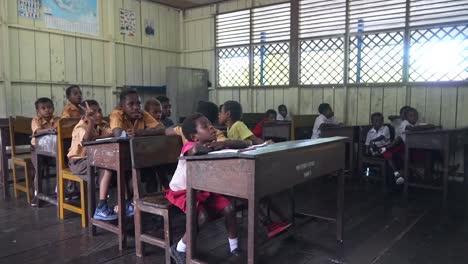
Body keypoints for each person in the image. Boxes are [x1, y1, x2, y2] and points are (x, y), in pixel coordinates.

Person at [167, 113, 248, 263]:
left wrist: (223, 144)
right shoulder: (190, 145)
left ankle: (234, 247)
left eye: (210, 123)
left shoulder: (216, 144)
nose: (211, 127)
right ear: (195, 136)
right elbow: (195, 151)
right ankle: (179, 248)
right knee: (202, 216)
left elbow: (244, 144)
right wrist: (213, 146)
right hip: (183, 191)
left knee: (229, 209)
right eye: (205, 126)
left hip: (204, 190)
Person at [67, 100, 116, 220]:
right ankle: (101, 207)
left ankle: (117, 206)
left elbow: (113, 135)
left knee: (117, 167)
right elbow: (87, 140)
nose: (98, 115)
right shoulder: (81, 126)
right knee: (108, 167)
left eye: (99, 111)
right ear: (84, 117)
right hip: (79, 162)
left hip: (96, 159)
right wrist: (91, 122)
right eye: (93, 113)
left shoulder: (103, 124)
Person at [381, 107, 435, 184]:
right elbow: (409, 130)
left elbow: (431, 126)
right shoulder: (403, 123)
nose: (414, 117)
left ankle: (423, 176)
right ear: (406, 117)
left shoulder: (416, 123)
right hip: (400, 144)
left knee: (430, 151)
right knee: (402, 155)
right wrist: (403, 117)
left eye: (415, 115)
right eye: (411, 115)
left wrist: (420, 127)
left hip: (410, 145)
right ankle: (416, 173)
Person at [30, 97, 60, 206]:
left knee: (62, 165)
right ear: (38, 111)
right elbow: (37, 131)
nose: (47, 110)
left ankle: (58, 192)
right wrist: (48, 130)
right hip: (37, 150)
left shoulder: (57, 119)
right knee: (39, 169)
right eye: (43, 108)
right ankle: (37, 194)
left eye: (50, 107)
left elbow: (60, 129)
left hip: (53, 149)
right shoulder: (35, 120)